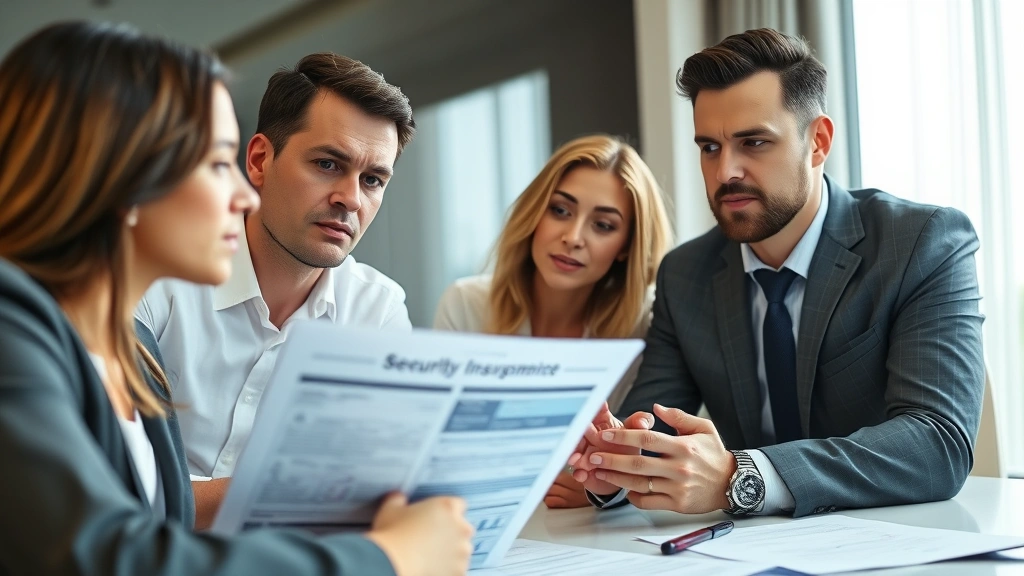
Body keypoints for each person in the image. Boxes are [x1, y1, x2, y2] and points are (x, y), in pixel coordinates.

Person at [0, 21, 472, 575]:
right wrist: (386, 558)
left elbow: (162, 533)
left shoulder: (131, 347)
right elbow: (105, 557)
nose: (244, 193)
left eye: (373, 180)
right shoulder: (13, 325)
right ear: (121, 174)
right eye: (219, 163)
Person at [570, 28, 985, 518]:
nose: (726, 171)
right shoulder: (685, 276)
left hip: (897, 540)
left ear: (818, 142)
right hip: (740, 555)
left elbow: (938, 443)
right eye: (709, 147)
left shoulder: (922, 243)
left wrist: (741, 476)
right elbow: (653, 427)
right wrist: (614, 463)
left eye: (754, 142)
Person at [136, 51, 416, 527]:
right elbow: (114, 489)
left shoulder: (378, 309)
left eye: (373, 180)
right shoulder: (158, 276)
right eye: (328, 164)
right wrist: (299, 493)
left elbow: (379, 487)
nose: (351, 199)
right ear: (261, 160)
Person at [434, 134, 673, 508]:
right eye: (560, 210)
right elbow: (444, 448)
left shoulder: (643, 326)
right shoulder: (466, 305)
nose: (572, 237)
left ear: (627, 245)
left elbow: (638, 454)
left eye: (604, 225)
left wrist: (604, 488)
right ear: (535, 213)